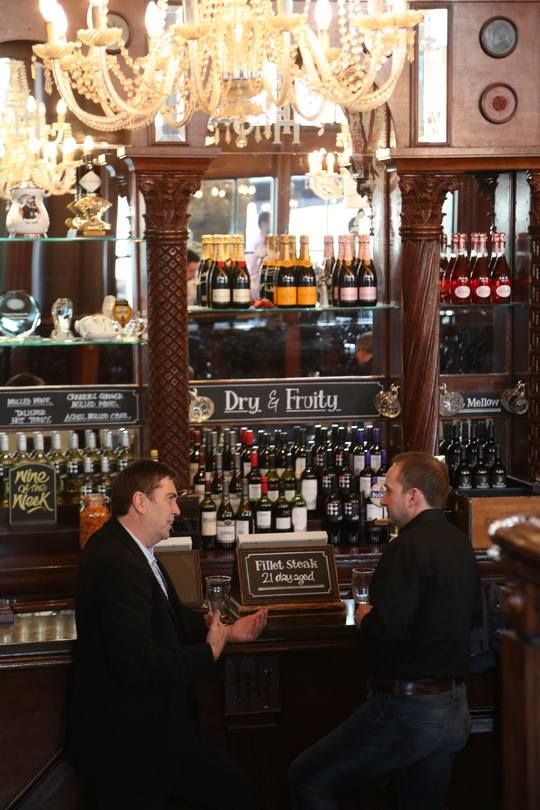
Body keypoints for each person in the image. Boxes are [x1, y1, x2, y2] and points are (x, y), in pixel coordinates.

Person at [71, 458, 267, 810]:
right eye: (171, 498)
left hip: (152, 730)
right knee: (233, 792)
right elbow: (134, 662)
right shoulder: (118, 561)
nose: (178, 509)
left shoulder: (131, 549)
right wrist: (208, 652)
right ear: (140, 501)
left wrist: (226, 630)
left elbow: (168, 619)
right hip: (132, 739)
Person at [289, 451, 478, 810]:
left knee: (308, 779)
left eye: (389, 490)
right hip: (454, 707)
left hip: (408, 709)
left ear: (413, 496)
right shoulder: (460, 542)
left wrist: (364, 617)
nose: (383, 500)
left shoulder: (406, 547)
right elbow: (474, 617)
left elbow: (386, 631)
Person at [246, 210, 270, 298]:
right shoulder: (259, 243)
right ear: (264, 224)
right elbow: (253, 267)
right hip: (256, 286)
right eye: (270, 222)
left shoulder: (260, 241)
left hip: (257, 285)